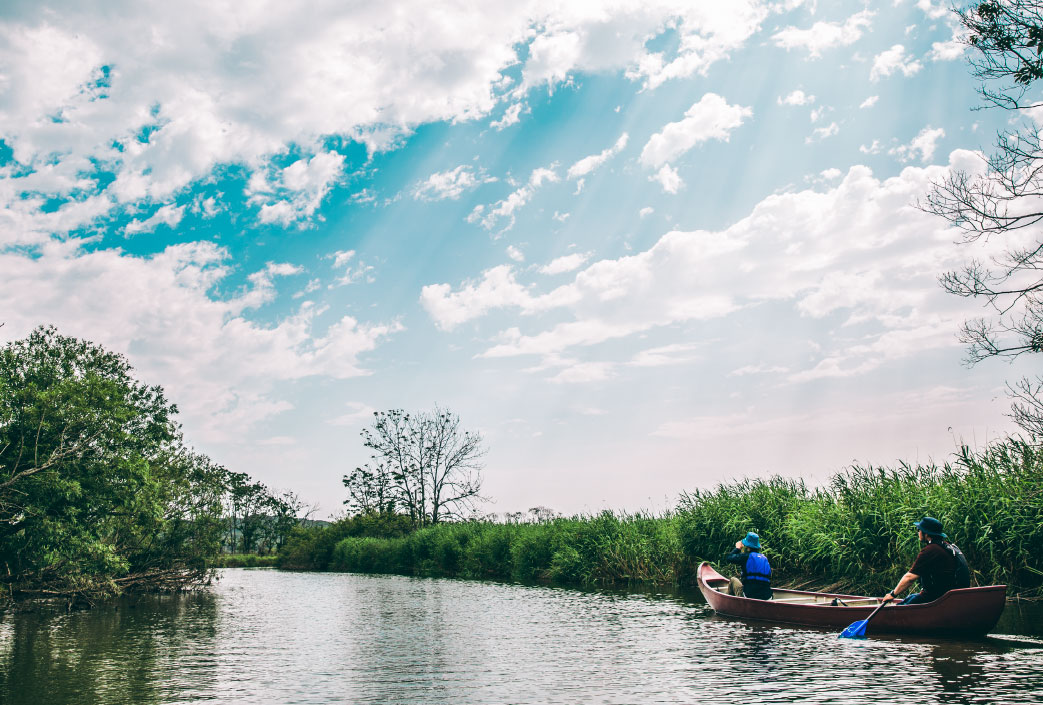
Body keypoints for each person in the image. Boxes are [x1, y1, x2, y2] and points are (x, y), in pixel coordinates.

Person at [881, 517, 970, 606]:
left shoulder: (931, 550)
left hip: (937, 598)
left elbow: (910, 578)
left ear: (926, 534)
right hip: (950, 595)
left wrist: (892, 594)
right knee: (911, 597)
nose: (918, 532)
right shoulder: (947, 545)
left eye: (919, 530)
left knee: (901, 607)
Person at [723, 531, 773, 600]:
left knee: (733, 580)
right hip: (768, 597)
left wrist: (737, 548)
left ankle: (727, 602)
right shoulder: (764, 558)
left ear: (748, 548)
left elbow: (729, 558)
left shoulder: (745, 557)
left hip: (749, 595)